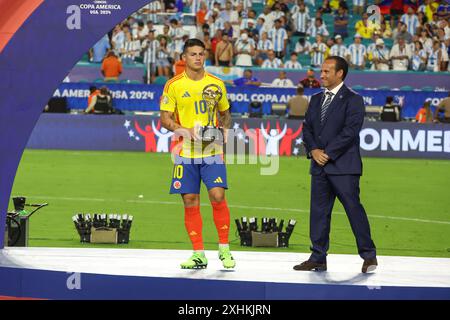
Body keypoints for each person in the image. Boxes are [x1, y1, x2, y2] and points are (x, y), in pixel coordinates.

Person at [295, 56, 377, 273]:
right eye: (321, 71)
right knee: (319, 213)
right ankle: (318, 257)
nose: (321, 75)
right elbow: (307, 129)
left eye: (326, 71)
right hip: (319, 166)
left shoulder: (353, 99)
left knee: (353, 210)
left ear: (340, 73)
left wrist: (328, 153)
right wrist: (313, 150)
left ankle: (369, 256)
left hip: (344, 167)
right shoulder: (315, 99)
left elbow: (350, 132)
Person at [159, 38, 236, 270]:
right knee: (190, 201)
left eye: (201, 54)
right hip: (184, 152)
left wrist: (225, 130)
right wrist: (183, 130)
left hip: (212, 150)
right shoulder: (173, 85)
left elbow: (225, 113)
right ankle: (198, 254)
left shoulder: (217, 84)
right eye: (193, 54)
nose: (198, 58)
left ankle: (224, 249)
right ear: (184, 57)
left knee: (218, 196)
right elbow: (165, 119)